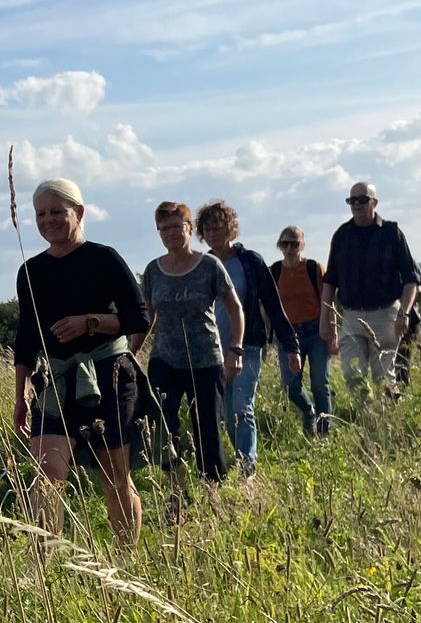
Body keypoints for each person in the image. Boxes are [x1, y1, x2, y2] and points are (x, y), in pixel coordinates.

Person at [13, 179, 149, 545]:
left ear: (79, 213)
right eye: (41, 213)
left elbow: (139, 318)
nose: (48, 220)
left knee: (114, 476)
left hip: (108, 375)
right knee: (47, 472)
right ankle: (41, 566)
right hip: (56, 380)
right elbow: (26, 337)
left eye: (57, 211)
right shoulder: (30, 272)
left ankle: (126, 558)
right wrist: (20, 393)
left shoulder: (103, 258)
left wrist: (90, 322)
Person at [136, 201, 244, 491]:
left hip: (205, 359)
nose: (170, 233)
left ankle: (213, 489)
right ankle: (176, 487)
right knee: (161, 425)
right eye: (163, 228)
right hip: (164, 359)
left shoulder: (209, 266)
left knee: (206, 428)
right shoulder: (153, 270)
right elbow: (147, 317)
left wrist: (236, 349)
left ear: (189, 228)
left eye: (176, 226)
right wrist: (131, 353)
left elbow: (235, 309)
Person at [194, 201, 300, 472]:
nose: (213, 234)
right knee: (223, 415)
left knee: (240, 408)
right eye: (208, 229)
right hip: (211, 350)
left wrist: (291, 345)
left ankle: (247, 469)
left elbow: (273, 305)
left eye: (218, 227)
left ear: (230, 229)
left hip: (247, 345)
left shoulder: (250, 262)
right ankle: (231, 463)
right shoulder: (201, 265)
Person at [320, 182, 420, 399]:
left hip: (386, 315)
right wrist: (325, 319)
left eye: (362, 199)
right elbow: (330, 281)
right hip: (351, 316)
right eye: (352, 200)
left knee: (383, 378)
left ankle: (388, 424)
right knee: (352, 374)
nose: (356, 204)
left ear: (374, 202)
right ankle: (368, 421)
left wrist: (404, 313)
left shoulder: (392, 233)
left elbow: (412, 279)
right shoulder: (342, 235)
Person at [271, 226, 332, 436]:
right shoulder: (274, 271)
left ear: (302, 245)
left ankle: (323, 434)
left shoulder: (314, 268)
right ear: (279, 246)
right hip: (288, 335)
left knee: (319, 385)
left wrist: (330, 332)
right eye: (285, 243)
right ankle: (309, 411)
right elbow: (267, 306)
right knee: (291, 386)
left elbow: (327, 301)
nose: (290, 248)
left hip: (315, 331)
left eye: (294, 243)